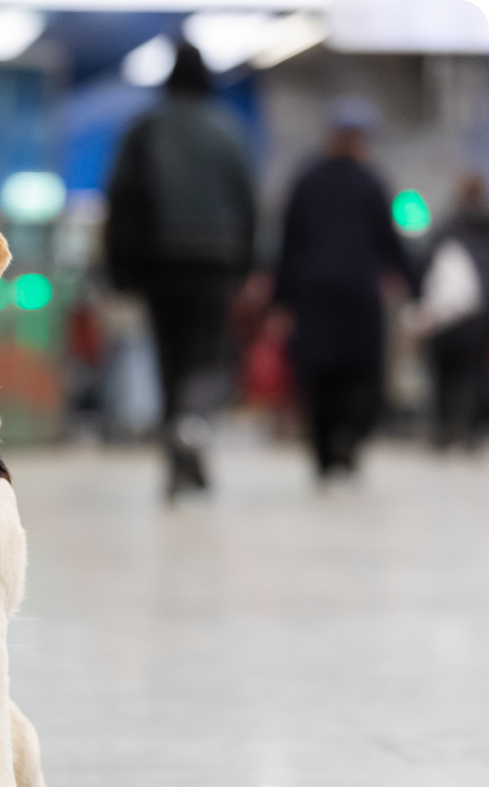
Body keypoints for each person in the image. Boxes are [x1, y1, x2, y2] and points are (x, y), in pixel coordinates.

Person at [106, 41, 256, 500]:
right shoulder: (228, 131)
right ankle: (194, 428)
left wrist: (120, 269)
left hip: (161, 262)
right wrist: (249, 267)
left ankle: (178, 463)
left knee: (170, 360)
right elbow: (249, 203)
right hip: (216, 262)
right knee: (206, 356)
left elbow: (121, 198)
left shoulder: (145, 128)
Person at [273, 96, 417, 480]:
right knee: (359, 375)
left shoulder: (306, 180)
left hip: (315, 294)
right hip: (356, 295)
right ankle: (349, 440)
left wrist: (281, 299)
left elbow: (289, 243)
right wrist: (415, 287)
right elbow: (391, 244)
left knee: (319, 376)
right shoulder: (371, 182)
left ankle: (325, 454)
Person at [418, 174, 489, 450]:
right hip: (479, 313)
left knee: (443, 374)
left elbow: (426, 267)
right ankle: (471, 429)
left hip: (446, 316)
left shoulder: (445, 228)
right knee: (474, 373)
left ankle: (443, 428)